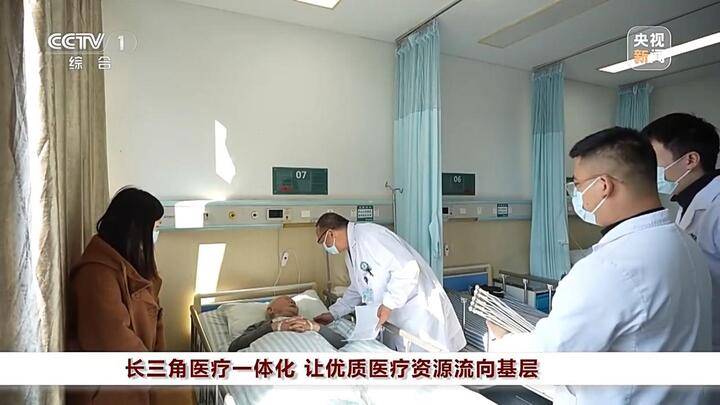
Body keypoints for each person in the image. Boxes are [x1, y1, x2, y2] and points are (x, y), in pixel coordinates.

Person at [486, 127, 712, 404]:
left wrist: (502, 341)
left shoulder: (608, 268)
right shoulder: (683, 242)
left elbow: (549, 361)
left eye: (578, 186)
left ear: (604, 185)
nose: (577, 196)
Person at [66, 187, 166, 405]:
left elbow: (155, 321)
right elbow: (113, 340)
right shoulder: (96, 274)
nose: (156, 236)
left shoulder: (133, 264)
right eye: (155, 228)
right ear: (135, 229)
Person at [312, 213, 466, 352]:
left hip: (417, 313)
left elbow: (408, 268)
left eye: (322, 241)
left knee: (429, 365)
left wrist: (388, 304)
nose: (325, 247)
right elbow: (358, 288)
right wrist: (334, 313)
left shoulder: (371, 236)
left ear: (331, 233)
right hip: (396, 320)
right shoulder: (351, 251)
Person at [642, 112, 720, 351]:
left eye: (652, 160)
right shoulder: (687, 204)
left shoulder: (717, 207)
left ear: (690, 160)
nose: (644, 169)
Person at [228, 295, 346, 351]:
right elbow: (234, 347)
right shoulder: (261, 326)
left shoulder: (309, 323)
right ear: (270, 310)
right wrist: (273, 327)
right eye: (286, 299)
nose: (292, 301)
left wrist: (317, 327)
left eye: (293, 301)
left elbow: (342, 344)